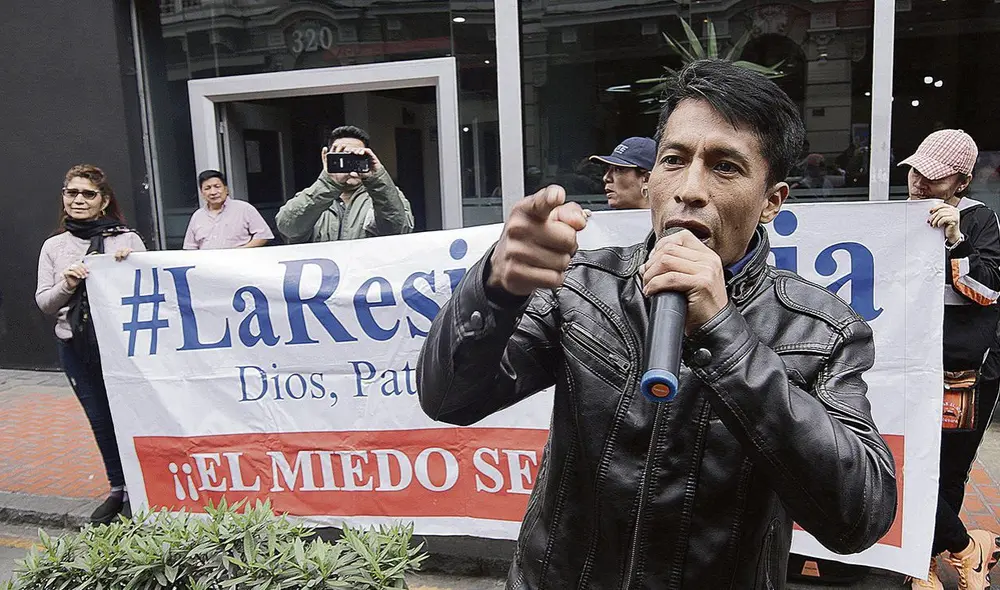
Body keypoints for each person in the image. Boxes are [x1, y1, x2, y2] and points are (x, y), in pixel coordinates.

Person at [417, 59, 896, 589]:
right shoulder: (580, 287)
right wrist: (494, 287)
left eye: (725, 167)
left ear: (772, 201)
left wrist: (726, 336)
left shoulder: (819, 330)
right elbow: (449, 398)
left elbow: (859, 516)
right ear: (649, 185)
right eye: (673, 160)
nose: (690, 189)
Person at [901, 129, 1000, 589]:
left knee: (947, 471)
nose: (920, 184)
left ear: (959, 183)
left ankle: (929, 555)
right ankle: (964, 546)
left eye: (933, 178)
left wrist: (956, 241)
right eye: (916, 171)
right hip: (906, 365)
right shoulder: (898, 218)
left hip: (963, 372)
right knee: (906, 463)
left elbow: (987, 290)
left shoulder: (981, 221)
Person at [35, 165, 146, 525]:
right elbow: (45, 303)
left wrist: (129, 268)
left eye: (88, 194)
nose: (79, 200)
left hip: (124, 347)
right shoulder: (55, 246)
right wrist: (67, 282)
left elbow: (149, 290)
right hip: (77, 349)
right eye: (72, 193)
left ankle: (141, 489)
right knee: (100, 419)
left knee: (131, 418)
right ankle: (119, 489)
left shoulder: (127, 239)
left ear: (104, 201)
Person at [275, 125, 413, 242]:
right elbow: (287, 228)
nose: (349, 165)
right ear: (325, 157)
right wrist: (328, 183)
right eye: (342, 156)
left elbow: (399, 230)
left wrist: (377, 177)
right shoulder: (311, 195)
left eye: (356, 158)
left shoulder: (386, 194)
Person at [182, 170, 274, 250]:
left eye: (217, 186)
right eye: (207, 188)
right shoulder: (197, 216)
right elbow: (190, 247)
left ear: (226, 189)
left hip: (238, 265)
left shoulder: (244, 209)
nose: (213, 192)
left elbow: (263, 235)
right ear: (202, 193)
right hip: (207, 267)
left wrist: (241, 252)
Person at [589, 136, 656, 209]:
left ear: (647, 179)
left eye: (619, 169)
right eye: (607, 169)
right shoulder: (598, 218)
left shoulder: (667, 218)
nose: (606, 178)